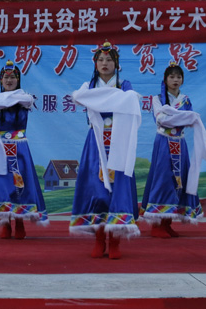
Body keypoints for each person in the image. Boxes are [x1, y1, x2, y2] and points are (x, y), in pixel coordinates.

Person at [70, 41, 141, 259]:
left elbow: (131, 100)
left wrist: (102, 100)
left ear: (116, 64)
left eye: (109, 60)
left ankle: (115, 240)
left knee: (118, 190)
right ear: (95, 64)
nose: (105, 63)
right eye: (101, 60)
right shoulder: (89, 85)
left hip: (118, 140)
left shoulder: (124, 85)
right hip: (96, 141)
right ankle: (100, 239)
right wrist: (113, 99)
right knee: (97, 191)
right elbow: (78, 97)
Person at [140, 62, 206, 238]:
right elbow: (161, 120)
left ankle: (167, 222)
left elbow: (190, 120)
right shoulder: (157, 99)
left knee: (179, 181)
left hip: (180, 143)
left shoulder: (185, 100)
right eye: (171, 77)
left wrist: (175, 116)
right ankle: (157, 224)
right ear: (165, 80)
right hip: (164, 142)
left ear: (182, 80)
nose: (175, 80)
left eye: (178, 77)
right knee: (163, 179)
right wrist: (181, 117)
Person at [0, 61, 49, 239]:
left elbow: (25, 101)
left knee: (21, 183)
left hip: (19, 146)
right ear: (0, 80)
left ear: (18, 79)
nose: (9, 80)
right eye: (6, 77)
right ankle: (5, 223)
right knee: (2, 184)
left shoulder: (25, 98)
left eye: (13, 77)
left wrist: (9, 98)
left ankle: (20, 221)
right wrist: (8, 98)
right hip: (0, 147)